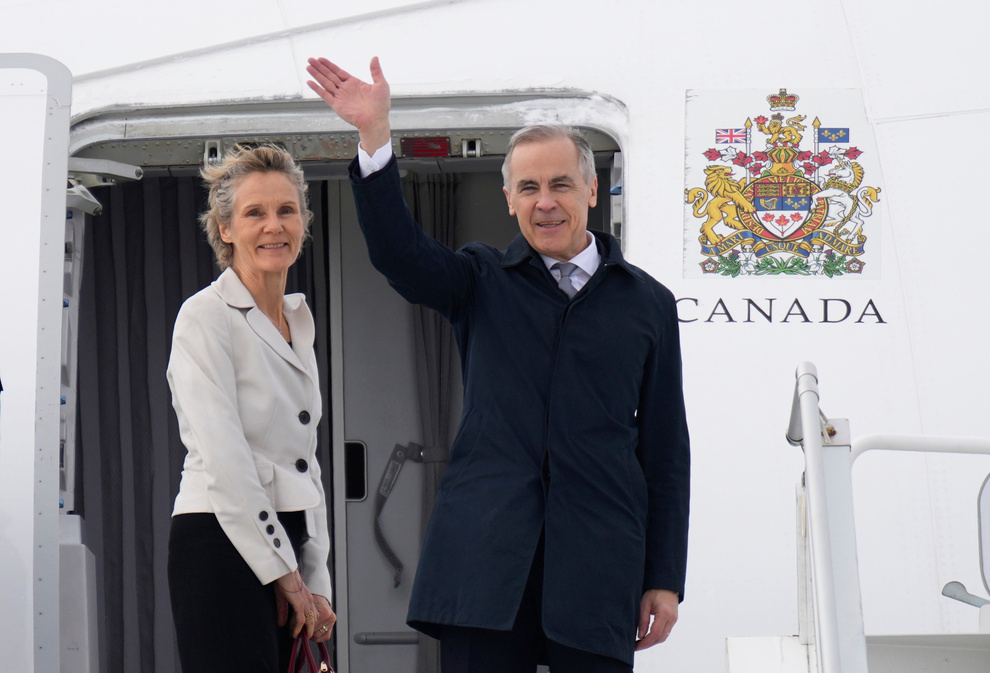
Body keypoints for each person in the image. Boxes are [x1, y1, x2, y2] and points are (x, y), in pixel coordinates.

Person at [307, 56, 690, 673]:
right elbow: (398, 255)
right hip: (485, 564)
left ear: (592, 189)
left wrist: (664, 577)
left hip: (597, 568)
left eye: (561, 184)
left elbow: (666, 451)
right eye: (530, 188)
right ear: (508, 199)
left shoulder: (648, 304)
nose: (546, 203)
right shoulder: (481, 278)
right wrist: (375, 139)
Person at [166, 144, 336, 673]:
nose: (274, 226)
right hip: (219, 541)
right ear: (225, 229)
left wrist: (316, 578)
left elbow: (303, 463)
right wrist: (283, 570)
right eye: (254, 213)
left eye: (286, 210)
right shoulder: (205, 317)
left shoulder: (296, 321)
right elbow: (226, 461)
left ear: (304, 222)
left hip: (281, 543)